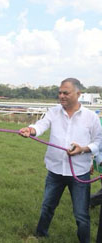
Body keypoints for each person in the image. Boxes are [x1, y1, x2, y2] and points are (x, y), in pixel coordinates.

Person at [19, 78, 102, 243]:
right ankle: (41, 235)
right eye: (60, 92)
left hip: (80, 172)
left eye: (66, 92)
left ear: (78, 94)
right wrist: (30, 129)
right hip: (55, 171)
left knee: (81, 214)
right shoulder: (53, 112)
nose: (61, 96)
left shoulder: (91, 117)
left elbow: (98, 143)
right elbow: (41, 125)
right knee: (47, 207)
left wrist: (83, 149)